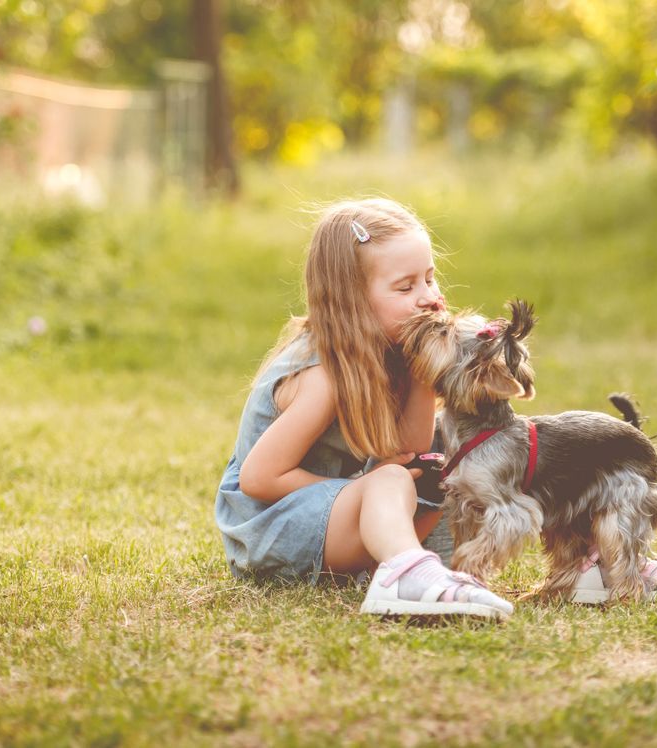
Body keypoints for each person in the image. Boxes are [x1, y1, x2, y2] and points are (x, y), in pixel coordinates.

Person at [214, 198, 513, 619]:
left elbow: (411, 445)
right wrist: (364, 488)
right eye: (406, 287)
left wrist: (424, 373)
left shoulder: (390, 351)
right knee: (390, 479)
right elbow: (260, 479)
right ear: (352, 301)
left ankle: (455, 574)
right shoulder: (322, 376)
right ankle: (406, 574)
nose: (429, 296)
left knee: (449, 455)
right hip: (270, 533)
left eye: (430, 278)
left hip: (329, 524)